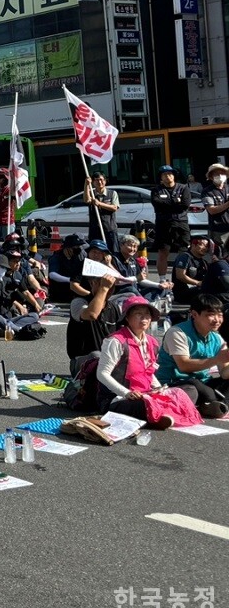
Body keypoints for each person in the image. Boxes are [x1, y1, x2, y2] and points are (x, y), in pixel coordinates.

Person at [95, 296, 200, 427]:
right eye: (138, 314)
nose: (144, 318)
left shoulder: (152, 342)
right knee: (142, 405)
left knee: (190, 390)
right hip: (119, 398)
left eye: (147, 315)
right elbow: (102, 374)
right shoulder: (115, 341)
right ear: (127, 318)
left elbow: (149, 372)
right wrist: (126, 393)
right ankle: (166, 414)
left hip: (147, 394)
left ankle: (162, 415)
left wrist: (159, 389)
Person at [157, 295, 229, 417]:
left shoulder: (216, 337)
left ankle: (216, 405)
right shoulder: (177, 332)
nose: (217, 320)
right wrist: (217, 359)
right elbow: (184, 366)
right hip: (175, 382)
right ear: (194, 314)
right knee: (195, 388)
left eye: (220, 315)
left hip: (202, 382)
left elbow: (224, 373)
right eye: (211, 315)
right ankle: (215, 404)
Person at [66, 241, 126, 373]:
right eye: (104, 284)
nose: (109, 288)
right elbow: (91, 314)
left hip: (108, 361)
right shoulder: (79, 303)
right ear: (92, 283)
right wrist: (103, 288)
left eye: (111, 285)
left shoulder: (114, 307)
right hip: (83, 361)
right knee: (97, 356)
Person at [152, 164, 191, 282]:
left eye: (170, 174)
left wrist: (168, 203)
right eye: (164, 175)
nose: (168, 176)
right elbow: (157, 204)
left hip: (181, 224)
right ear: (161, 177)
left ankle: (182, 278)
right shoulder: (156, 190)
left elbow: (185, 204)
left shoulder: (183, 188)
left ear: (174, 176)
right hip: (163, 224)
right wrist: (175, 201)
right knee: (163, 252)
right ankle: (162, 280)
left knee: (184, 252)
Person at [172, 235, 216, 310]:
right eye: (202, 245)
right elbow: (180, 275)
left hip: (197, 291)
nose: (205, 248)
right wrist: (198, 283)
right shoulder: (185, 257)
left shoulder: (204, 262)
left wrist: (215, 263)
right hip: (184, 292)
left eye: (207, 246)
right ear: (193, 244)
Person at [84, 171, 120, 253]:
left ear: (105, 181)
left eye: (101, 179)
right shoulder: (91, 194)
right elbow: (86, 200)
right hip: (95, 229)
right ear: (93, 182)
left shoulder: (112, 193)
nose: (99, 182)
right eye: (96, 180)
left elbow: (114, 207)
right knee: (96, 252)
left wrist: (99, 204)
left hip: (109, 229)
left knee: (112, 252)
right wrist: (86, 184)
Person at [203, 162, 229, 251]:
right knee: (219, 258)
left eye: (222, 173)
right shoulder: (207, 191)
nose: (220, 176)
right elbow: (211, 210)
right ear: (211, 177)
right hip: (218, 231)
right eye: (217, 174)